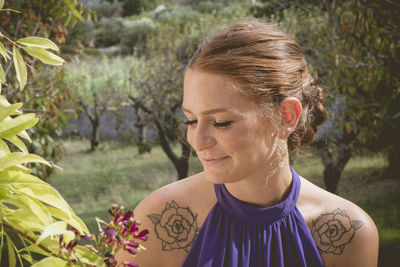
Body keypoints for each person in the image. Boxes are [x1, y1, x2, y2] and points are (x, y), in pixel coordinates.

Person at [117, 21, 378, 267]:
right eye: (191, 120)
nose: (197, 140)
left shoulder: (349, 232)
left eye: (221, 122)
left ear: (285, 116)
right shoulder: (156, 218)